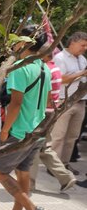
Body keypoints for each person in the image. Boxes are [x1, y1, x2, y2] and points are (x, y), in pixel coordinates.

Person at [0, 25, 51, 210]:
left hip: (19, 131)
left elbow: (16, 103)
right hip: (38, 129)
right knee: (22, 172)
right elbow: (46, 100)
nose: (14, 43)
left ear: (25, 42)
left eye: (17, 39)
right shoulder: (44, 67)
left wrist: (5, 131)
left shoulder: (20, 67)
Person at [29, 44, 77, 192]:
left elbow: (44, 95)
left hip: (42, 115)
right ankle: (66, 178)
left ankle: (29, 184)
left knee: (32, 149)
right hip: (50, 114)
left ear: (42, 55)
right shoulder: (55, 69)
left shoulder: (45, 70)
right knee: (44, 148)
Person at [50, 32, 87, 176]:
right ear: (73, 43)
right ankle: (53, 166)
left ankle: (64, 164)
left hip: (80, 101)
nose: (84, 48)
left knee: (72, 136)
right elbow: (60, 79)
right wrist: (81, 74)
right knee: (58, 136)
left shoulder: (82, 59)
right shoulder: (60, 58)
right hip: (63, 101)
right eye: (82, 45)